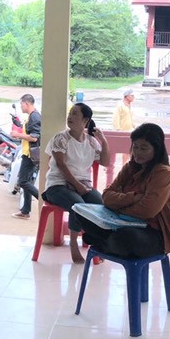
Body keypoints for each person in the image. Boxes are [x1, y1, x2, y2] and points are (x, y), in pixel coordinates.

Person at [71, 122, 170, 260]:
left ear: (157, 149)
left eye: (144, 148)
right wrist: (133, 198)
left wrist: (118, 208)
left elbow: (147, 211)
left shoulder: (163, 173)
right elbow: (107, 196)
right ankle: (107, 241)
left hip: (151, 232)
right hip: (118, 223)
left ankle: (102, 241)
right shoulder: (130, 168)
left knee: (127, 236)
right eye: (135, 147)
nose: (138, 152)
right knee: (78, 212)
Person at [42, 103, 114, 262]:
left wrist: (103, 141)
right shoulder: (61, 138)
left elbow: (105, 162)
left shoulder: (91, 141)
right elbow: (61, 165)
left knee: (101, 205)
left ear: (85, 120)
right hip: (58, 185)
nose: (70, 116)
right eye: (70, 113)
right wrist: (77, 186)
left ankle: (98, 244)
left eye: (75, 114)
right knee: (78, 205)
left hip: (83, 186)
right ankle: (74, 244)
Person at [13, 93, 43, 219]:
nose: (20, 106)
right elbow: (29, 131)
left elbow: (34, 137)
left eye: (21, 104)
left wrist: (17, 135)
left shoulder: (34, 117)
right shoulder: (32, 116)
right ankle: (25, 211)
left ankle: (43, 200)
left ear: (27, 103)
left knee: (23, 181)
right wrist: (18, 125)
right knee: (27, 182)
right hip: (28, 153)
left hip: (30, 155)